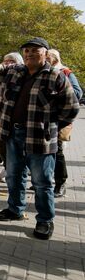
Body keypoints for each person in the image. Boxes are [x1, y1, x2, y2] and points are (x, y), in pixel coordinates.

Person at [0, 37, 79, 240]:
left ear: (45, 53)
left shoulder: (56, 76)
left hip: (39, 138)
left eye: (34, 50)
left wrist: (51, 127)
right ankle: (15, 210)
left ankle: (45, 220)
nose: (29, 53)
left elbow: (71, 107)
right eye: (26, 50)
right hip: (12, 135)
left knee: (41, 181)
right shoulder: (14, 71)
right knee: (13, 175)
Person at [46, 49, 83, 197]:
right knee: (43, 153)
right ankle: (44, 182)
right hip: (42, 120)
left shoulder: (66, 72)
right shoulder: (42, 71)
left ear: (55, 58)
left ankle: (61, 183)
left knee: (57, 151)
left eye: (48, 57)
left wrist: (58, 94)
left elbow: (77, 92)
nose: (46, 60)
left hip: (58, 119)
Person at [0, 52, 24, 183]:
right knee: (4, 151)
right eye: (5, 61)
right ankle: (7, 171)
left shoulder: (23, 78)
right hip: (1, 123)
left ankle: (13, 176)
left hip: (17, 126)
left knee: (16, 158)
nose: (7, 63)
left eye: (11, 61)